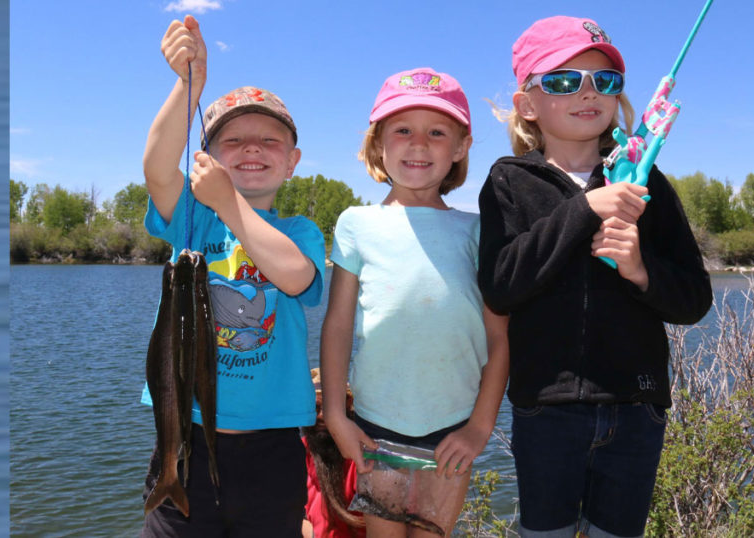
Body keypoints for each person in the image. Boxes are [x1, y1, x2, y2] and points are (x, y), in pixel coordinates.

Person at [477, 15, 713, 538]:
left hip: (638, 406)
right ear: (527, 104)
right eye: (563, 81)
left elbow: (695, 302)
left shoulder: (646, 181)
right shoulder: (507, 181)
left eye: (605, 81)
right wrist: (586, 208)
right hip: (547, 409)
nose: (588, 92)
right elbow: (500, 284)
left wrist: (641, 271)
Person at [138, 14, 326, 537]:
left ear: (293, 162)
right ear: (207, 158)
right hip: (185, 435)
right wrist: (186, 83)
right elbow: (156, 167)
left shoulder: (300, 230)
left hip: (271, 445)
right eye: (234, 139)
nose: (251, 148)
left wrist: (230, 204)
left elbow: (294, 278)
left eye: (269, 141)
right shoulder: (192, 219)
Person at [320, 67, 510, 538]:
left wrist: (479, 428)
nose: (419, 144)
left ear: (461, 147)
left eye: (437, 132)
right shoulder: (355, 223)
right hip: (374, 429)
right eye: (402, 130)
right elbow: (339, 324)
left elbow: (499, 340)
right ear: (377, 144)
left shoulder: (480, 231)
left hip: (452, 433)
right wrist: (336, 417)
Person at [301, 368, 366, 538]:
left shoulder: (363, 456)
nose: (322, 416)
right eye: (315, 408)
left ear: (348, 405)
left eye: (330, 408)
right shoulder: (299, 451)